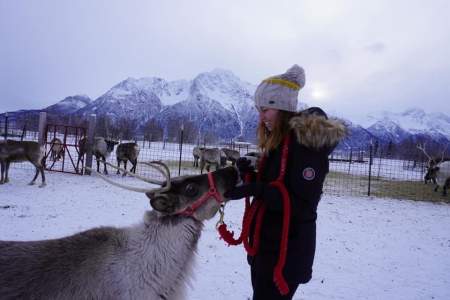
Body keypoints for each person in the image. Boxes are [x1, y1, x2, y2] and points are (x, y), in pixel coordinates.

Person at [223, 65, 347, 300]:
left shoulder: (306, 147)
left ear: (282, 107)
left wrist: (256, 189)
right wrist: (252, 170)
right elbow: (276, 179)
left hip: (286, 252)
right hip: (267, 245)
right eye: (259, 110)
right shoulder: (279, 141)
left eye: (266, 109)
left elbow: (301, 204)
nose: (261, 117)